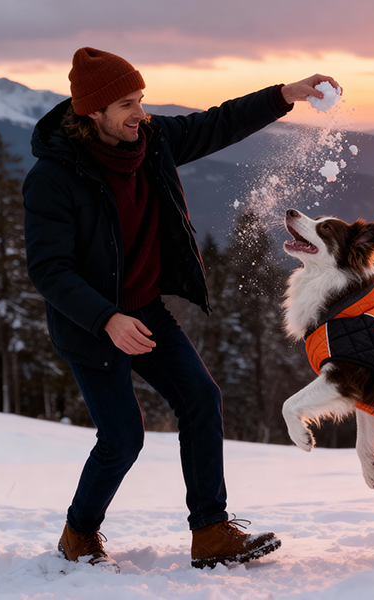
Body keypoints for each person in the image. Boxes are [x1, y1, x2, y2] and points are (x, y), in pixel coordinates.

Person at [23, 46, 339, 570]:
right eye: (126, 103)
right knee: (123, 438)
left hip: (146, 310)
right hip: (93, 325)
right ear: (91, 111)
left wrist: (285, 95)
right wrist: (106, 317)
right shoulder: (53, 178)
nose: (139, 113)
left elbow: (218, 124)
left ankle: (211, 532)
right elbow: (49, 269)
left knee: (200, 398)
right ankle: (78, 534)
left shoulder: (152, 142)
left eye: (141, 99)